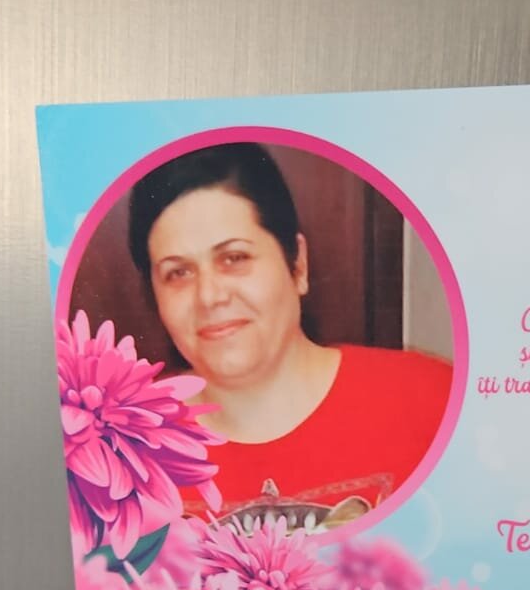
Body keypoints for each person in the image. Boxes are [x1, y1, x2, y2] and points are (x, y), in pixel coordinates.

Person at [126, 142, 452, 527]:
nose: (209, 296)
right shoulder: (121, 447)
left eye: (234, 258)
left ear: (297, 264)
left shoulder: (433, 400)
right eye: (178, 273)